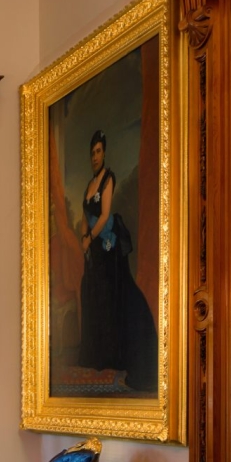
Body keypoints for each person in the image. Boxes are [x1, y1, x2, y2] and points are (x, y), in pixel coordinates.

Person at [76, 130, 157, 392]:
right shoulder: (89, 185)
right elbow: (85, 216)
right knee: (95, 297)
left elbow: (104, 215)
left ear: (104, 153)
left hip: (108, 247)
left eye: (99, 151)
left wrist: (89, 237)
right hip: (94, 250)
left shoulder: (107, 179)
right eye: (92, 153)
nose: (95, 156)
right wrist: (82, 236)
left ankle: (132, 352)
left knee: (118, 296)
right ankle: (100, 355)